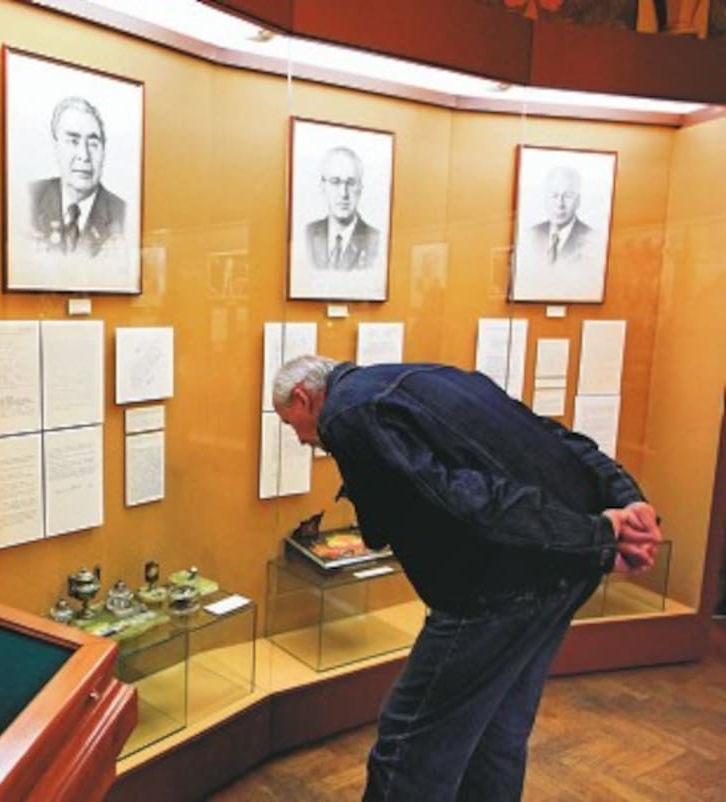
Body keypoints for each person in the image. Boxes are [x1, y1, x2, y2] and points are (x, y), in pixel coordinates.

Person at [272, 355, 663, 802]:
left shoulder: (346, 415)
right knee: (496, 729)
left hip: (495, 590)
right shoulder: (430, 375)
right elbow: (552, 437)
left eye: (292, 425)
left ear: (303, 397)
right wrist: (625, 501)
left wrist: (595, 535)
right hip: (560, 573)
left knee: (408, 746)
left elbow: (465, 501)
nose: (304, 440)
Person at [28, 96, 126, 258]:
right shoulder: (27, 199)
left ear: (104, 151)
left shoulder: (124, 217)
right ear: (56, 148)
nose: (84, 155)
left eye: (93, 144)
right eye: (73, 141)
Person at [305, 146, 381, 271]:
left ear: (360, 188)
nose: (343, 193)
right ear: (322, 186)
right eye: (335, 182)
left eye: (351, 183)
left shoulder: (376, 241)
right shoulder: (307, 234)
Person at [527, 165, 595, 268]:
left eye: (568, 196)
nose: (560, 204)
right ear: (545, 199)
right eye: (554, 195)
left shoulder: (592, 240)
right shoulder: (531, 234)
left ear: (578, 201)